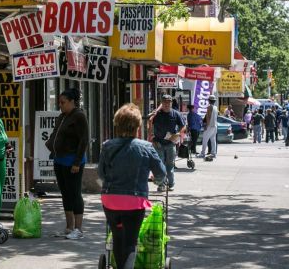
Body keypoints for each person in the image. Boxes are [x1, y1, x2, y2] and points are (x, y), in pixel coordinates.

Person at [99, 103, 167, 269]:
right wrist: (157, 181)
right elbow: (161, 174)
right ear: (137, 126)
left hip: (110, 200)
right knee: (130, 242)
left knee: (117, 238)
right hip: (134, 202)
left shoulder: (107, 146)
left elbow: (101, 174)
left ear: (117, 124)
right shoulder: (146, 147)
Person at [47, 88, 89, 240]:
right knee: (65, 193)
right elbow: (56, 133)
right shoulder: (62, 116)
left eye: (63, 102)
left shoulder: (79, 116)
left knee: (74, 193)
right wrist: (51, 143)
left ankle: (78, 229)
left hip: (73, 161)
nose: (60, 105)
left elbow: (84, 140)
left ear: (72, 102)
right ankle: (69, 227)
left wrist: (77, 162)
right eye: (59, 102)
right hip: (59, 159)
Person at [148, 94, 185, 190]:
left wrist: (178, 134)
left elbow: (183, 126)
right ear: (162, 103)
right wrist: (152, 138)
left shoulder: (175, 114)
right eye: (164, 102)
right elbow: (150, 124)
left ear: (171, 103)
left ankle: (171, 184)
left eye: (168, 102)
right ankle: (162, 185)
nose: (166, 104)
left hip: (171, 143)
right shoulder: (156, 114)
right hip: (158, 143)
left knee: (170, 165)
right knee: (160, 165)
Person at [199, 95, 218, 159]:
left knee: (205, 139)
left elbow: (208, 117)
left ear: (209, 101)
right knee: (213, 140)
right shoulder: (216, 107)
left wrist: (206, 126)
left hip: (210, 125)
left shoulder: (209, 107)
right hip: (215, 125)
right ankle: (214, 153)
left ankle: (202, 153)